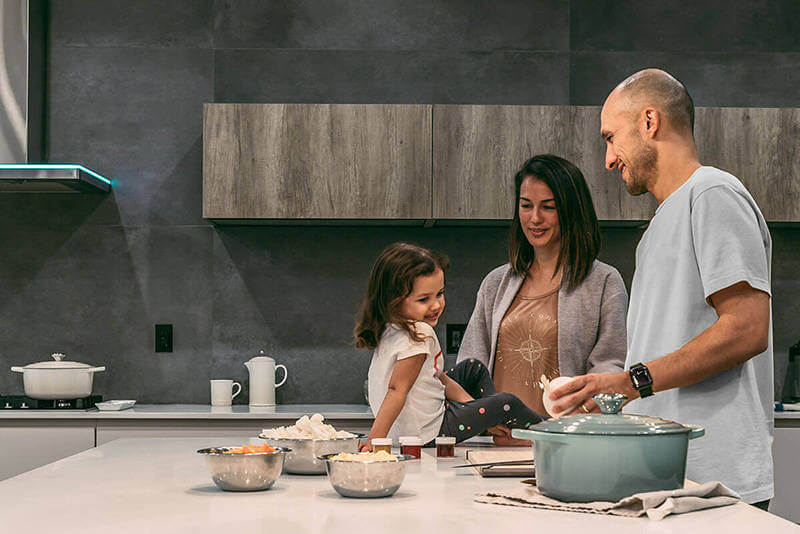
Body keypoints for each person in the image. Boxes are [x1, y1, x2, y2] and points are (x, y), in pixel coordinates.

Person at [549, 69, 774, 507]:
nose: (609, 159)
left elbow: (748, 329)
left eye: (611, 137)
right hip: (665, 477)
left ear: (649, 122)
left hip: (713, 482)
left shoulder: (711, 194)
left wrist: (631, 382)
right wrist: (612, 396)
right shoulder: (658, 227)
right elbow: (659, 360)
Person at [456, 154, 627, 443]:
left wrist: (572, 420)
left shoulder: (605, 282)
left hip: (565, 445)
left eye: (548, 207)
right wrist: (480, 419)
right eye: (526, 206)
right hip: (496, 446)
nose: (535, 218)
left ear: (572, 212)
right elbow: (470, 365)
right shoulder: (495, 283)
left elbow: (610, 370)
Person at [354, 242, 544, 450]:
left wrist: (477, 410)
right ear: (394, 300)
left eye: (439, 293)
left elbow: (439, 378)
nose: (436, 305)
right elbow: (397, 390)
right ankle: (549, 431)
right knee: (506, 402)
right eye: (424, 299)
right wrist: (374, 440)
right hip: (428, 432)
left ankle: (495, 426)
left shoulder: (389, 328)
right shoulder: (419, 332)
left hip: (416, 426)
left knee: (473, 368)